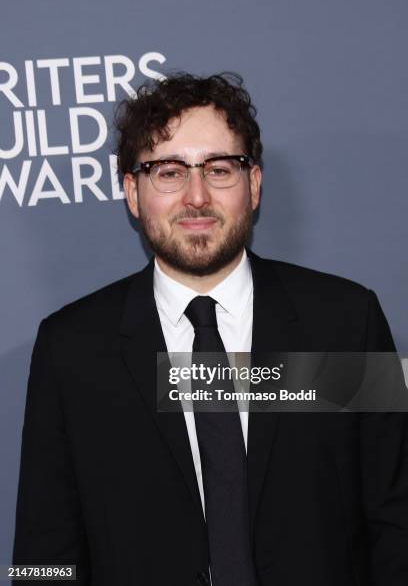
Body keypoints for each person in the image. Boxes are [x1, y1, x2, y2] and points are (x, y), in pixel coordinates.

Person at [13, 73, 408, 586]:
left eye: (219, 169)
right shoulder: (71, 350)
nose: (196, 197)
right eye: (169, 172)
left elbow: (396, 516)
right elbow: (43, 557)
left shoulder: (346, 321)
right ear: (133, 192)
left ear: (255, 185)